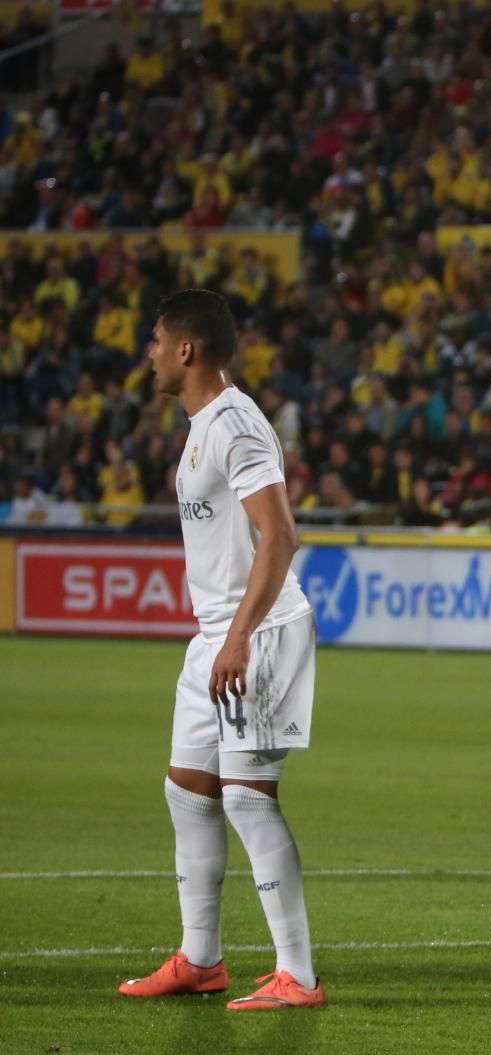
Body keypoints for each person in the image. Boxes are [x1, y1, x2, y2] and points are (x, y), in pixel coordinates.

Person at [115, 289, 324, 1011]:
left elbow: (280, 535)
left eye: (153, 340)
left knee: (247, 799)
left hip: (257, 634)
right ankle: (200, 959)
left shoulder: (236, 424)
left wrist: (237, 638)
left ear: (186, 349)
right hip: (215, 638)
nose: (146, 354)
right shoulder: (204, 424)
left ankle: (298, 975)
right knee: (188, 792)